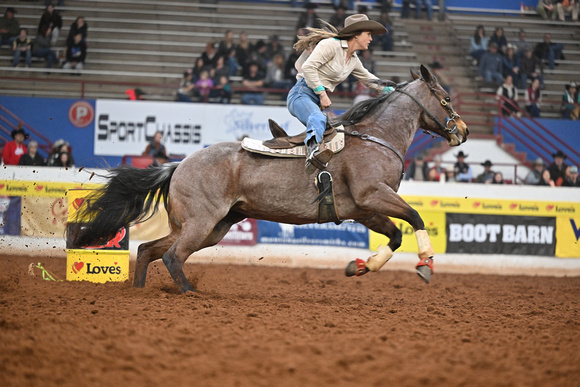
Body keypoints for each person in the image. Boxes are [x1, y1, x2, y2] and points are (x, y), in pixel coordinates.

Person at [288, 14, 393, 168]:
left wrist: (394, 90)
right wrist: (322, 94)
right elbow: (308, 67)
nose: (371, 39)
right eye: (368, 34)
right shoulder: (330, 45)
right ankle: (312, 152)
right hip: (301, 93)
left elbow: (369, 80)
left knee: (335, 131)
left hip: (313, 99)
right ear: (357, 35)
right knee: (318, 119)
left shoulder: (353, 60)